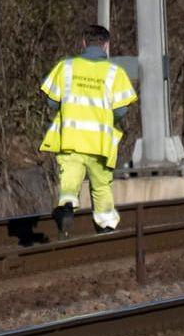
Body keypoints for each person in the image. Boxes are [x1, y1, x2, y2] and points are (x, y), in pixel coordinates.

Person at [40, 24, 138, 239]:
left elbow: (52, 101)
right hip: (100, 143)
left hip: (70, 139)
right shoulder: (115, 72)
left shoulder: (65, 67)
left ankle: (66, 206)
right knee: (101, 185)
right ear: (106, 45)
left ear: (83, 43)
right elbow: (121, 110)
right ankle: (106, 226)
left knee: (69, 179)